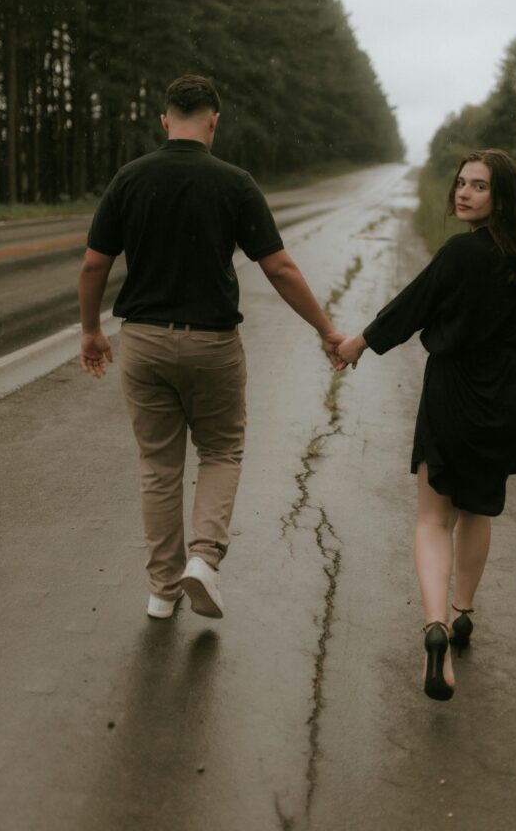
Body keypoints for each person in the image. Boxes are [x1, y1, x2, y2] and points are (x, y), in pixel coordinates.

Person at [78, 74, 344, 621]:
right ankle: (203, 558)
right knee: (221, 450)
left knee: (158, 467)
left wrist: (90, 330)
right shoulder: (234, 183)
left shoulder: (130, 178)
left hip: (146, 342)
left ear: (165, 119)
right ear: (214, 120)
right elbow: (279, 267)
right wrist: (325, 328)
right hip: (212, 344)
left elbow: (93, 264)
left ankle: (161, 589)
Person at [338, 149, 516, 701]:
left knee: (434, 519)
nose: (463, 193)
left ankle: (434, 627)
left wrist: (358, 344)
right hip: (502, 394)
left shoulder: (459, 252)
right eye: (460, 183)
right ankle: (462, 614)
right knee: (478, 509)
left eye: (478, 186)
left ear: (500, 196)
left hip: (453, 392)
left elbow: (412, 307)